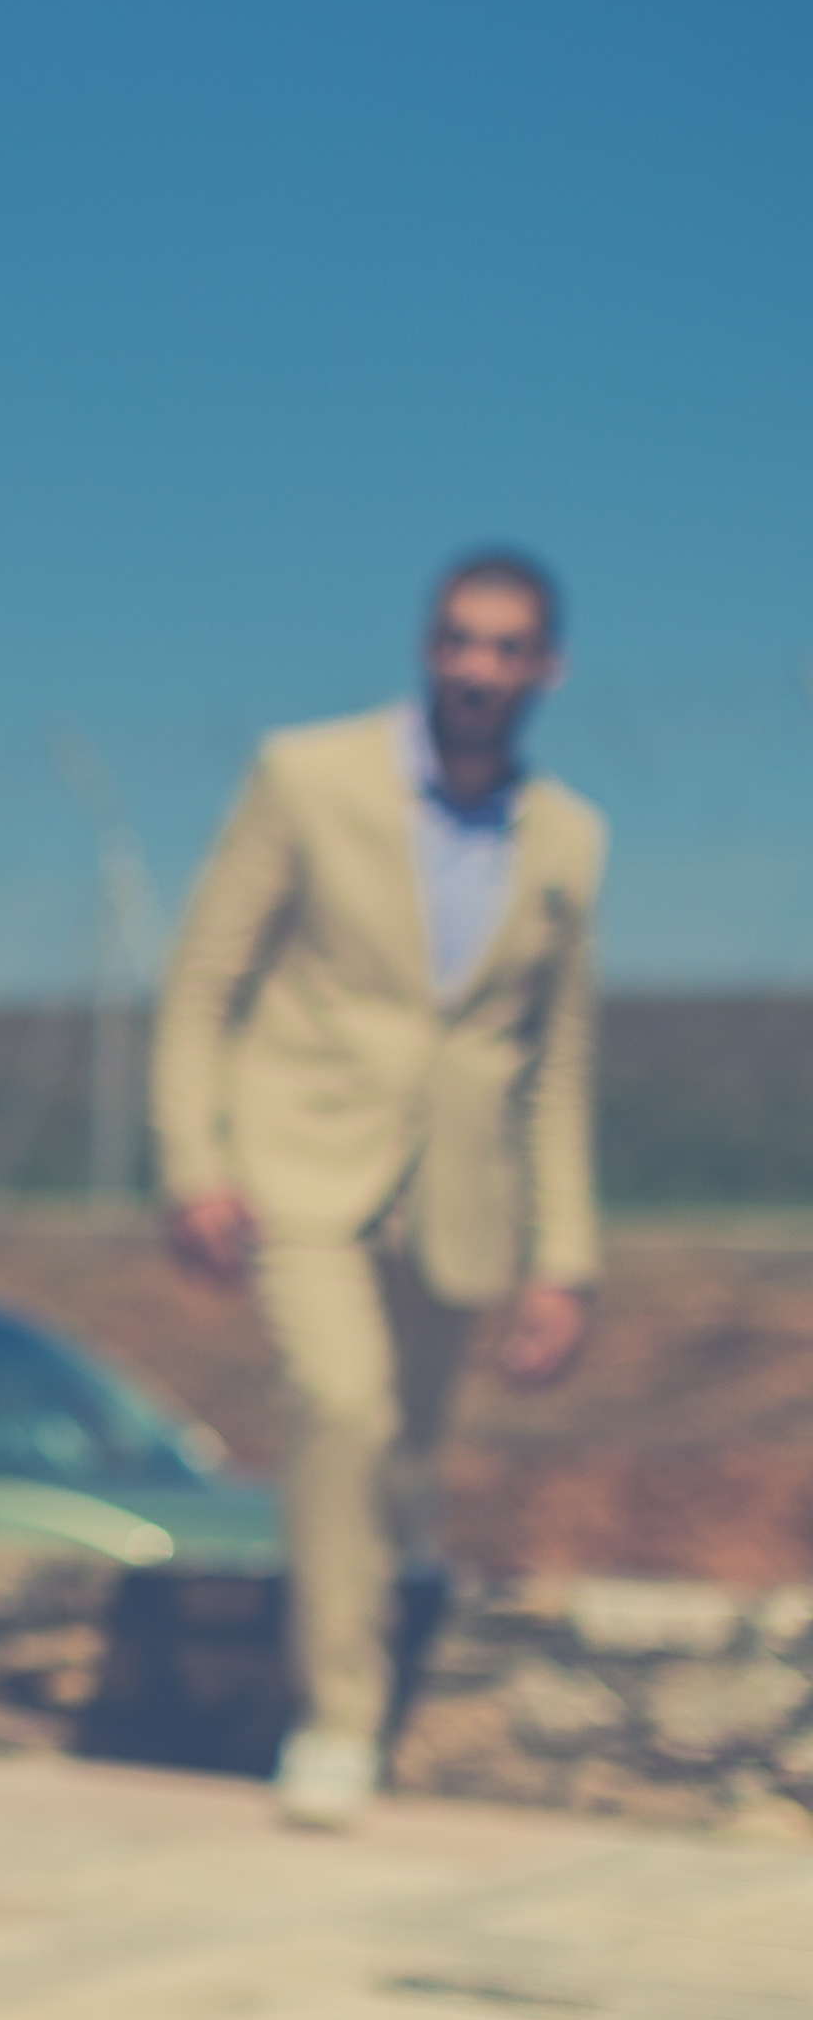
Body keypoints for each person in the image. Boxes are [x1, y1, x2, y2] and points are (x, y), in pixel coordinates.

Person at [151, 550, 604, 1831]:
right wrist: (194, 1161)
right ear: (426, 647)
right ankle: (336, 1720)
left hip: (458, 1197)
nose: (477, 667)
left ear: (547, 667)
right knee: (340, 1404)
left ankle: (382, 1651)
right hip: (298, 1162)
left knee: (404, 1459)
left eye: (505, 646)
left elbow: (555, 1065)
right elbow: (201, 983)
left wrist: (565, 1257)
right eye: (458, 639)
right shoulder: (309, 776)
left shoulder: (570, 840)